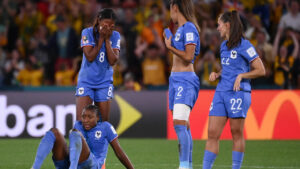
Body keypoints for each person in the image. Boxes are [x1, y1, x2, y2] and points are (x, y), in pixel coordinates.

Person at [201, 11, 265, 169]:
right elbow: (228, 67)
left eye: (219, 24)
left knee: (236, 133)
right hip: (221, 92)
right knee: (212, 133)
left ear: (228, 25)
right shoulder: (223, 46)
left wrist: (242, 75)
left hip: (238, 92)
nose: (217, 28)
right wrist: (218, 73)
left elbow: (261, 70)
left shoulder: (245, 45)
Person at [31, 104, 134, 169]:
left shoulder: (106, 127)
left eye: (90, 117)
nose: (85, 120)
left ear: (97, 118)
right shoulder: (78, 125)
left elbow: (119, 152)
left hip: (92, 165)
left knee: (76, 133)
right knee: (55, 132)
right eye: (84, 116)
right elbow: (73, 147)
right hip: (72, 162)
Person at [164, 0, 201, 168]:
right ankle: (189, 165)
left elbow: (188, 57)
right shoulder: (179, 29)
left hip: (185, 80)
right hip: (175, 80)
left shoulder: (190, 28)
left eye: (170, 8)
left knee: (179, 125)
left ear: (175, 7)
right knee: (183, 125)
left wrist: (169, 47)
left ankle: (184, 166)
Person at [76, 8, 120, 121]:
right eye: (105, 25)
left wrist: (107, 40)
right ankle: (79, 139)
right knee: (82, 121)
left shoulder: (115, 36)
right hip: (87, 81)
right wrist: (101, 38)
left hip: (104, 82)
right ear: (99, 21)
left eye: (111, 26)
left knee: (103, 123)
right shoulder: (87, 32)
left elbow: (112, 61)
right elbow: (90, 57)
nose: (108, 28)